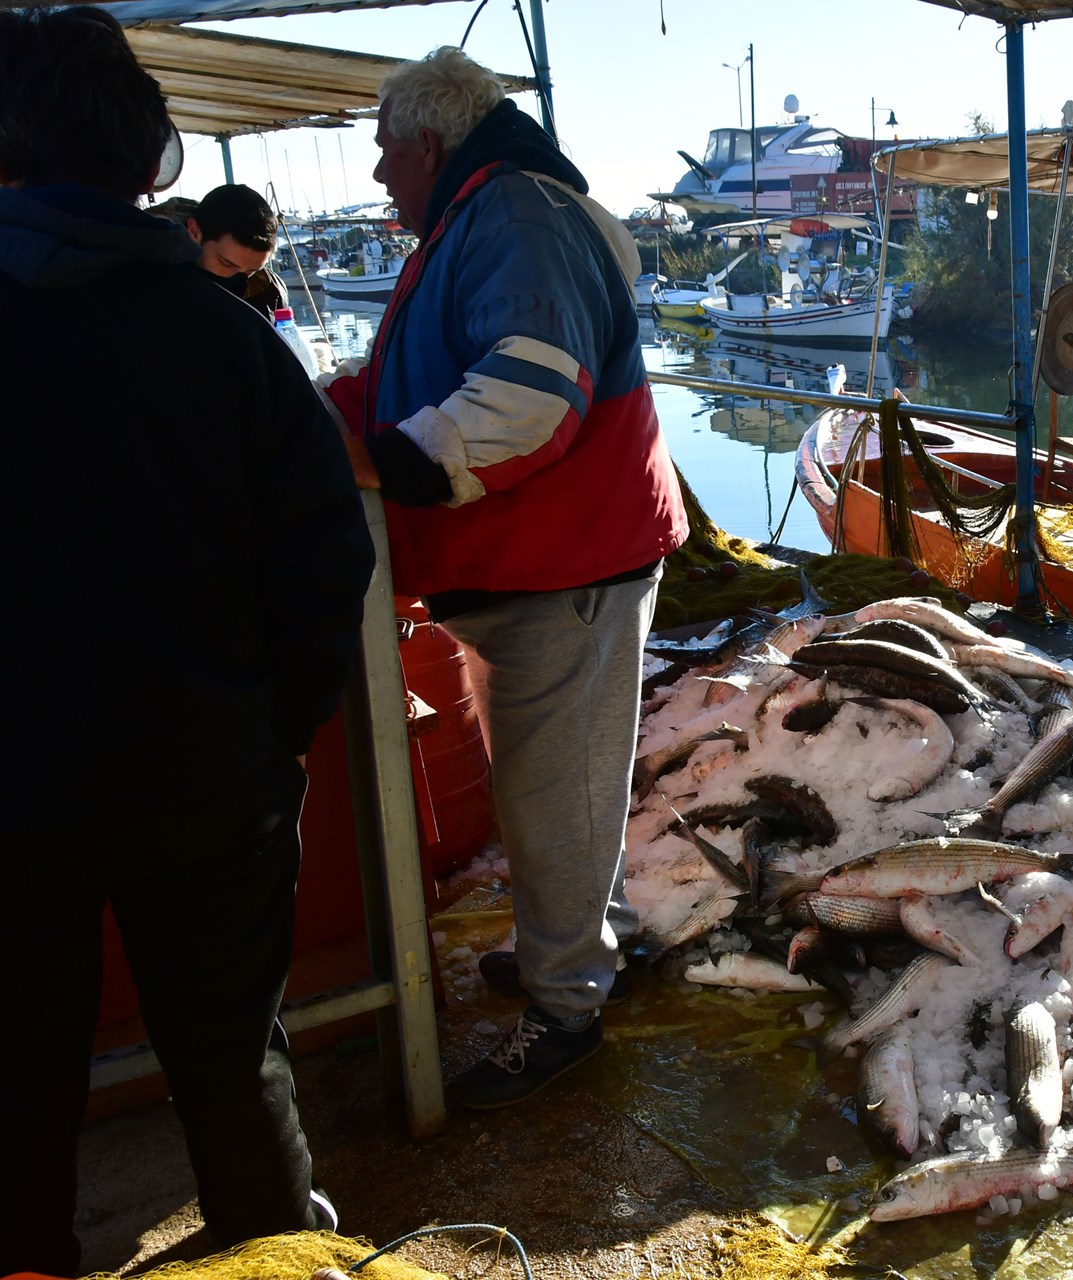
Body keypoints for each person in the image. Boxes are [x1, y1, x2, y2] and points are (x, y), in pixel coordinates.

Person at [0, 8, 373, 1273]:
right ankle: (269, 1245)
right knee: (231, 1050)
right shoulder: (228, 337)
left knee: (14, 1074)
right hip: (213, 775)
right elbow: (325, 557)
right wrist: (276, 724)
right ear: (148, 159)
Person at [320, 47, 687, 1109]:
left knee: (550, 795)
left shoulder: (511, 215)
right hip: (542, 562)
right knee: (564, 784)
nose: (379, 173)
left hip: (563, 564)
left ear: (432, 142)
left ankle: (567, 1010)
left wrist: (384, 461)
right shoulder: (481, 215)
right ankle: (592, 943)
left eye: (387, 151)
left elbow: (530, 396)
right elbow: (421, 373)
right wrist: (327, 413)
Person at [152, 181, 289, 319]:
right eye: (226, 263)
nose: (240, 281)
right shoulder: (149, 284)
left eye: (252, 271)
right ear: (194, 232)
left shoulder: (268, 292)